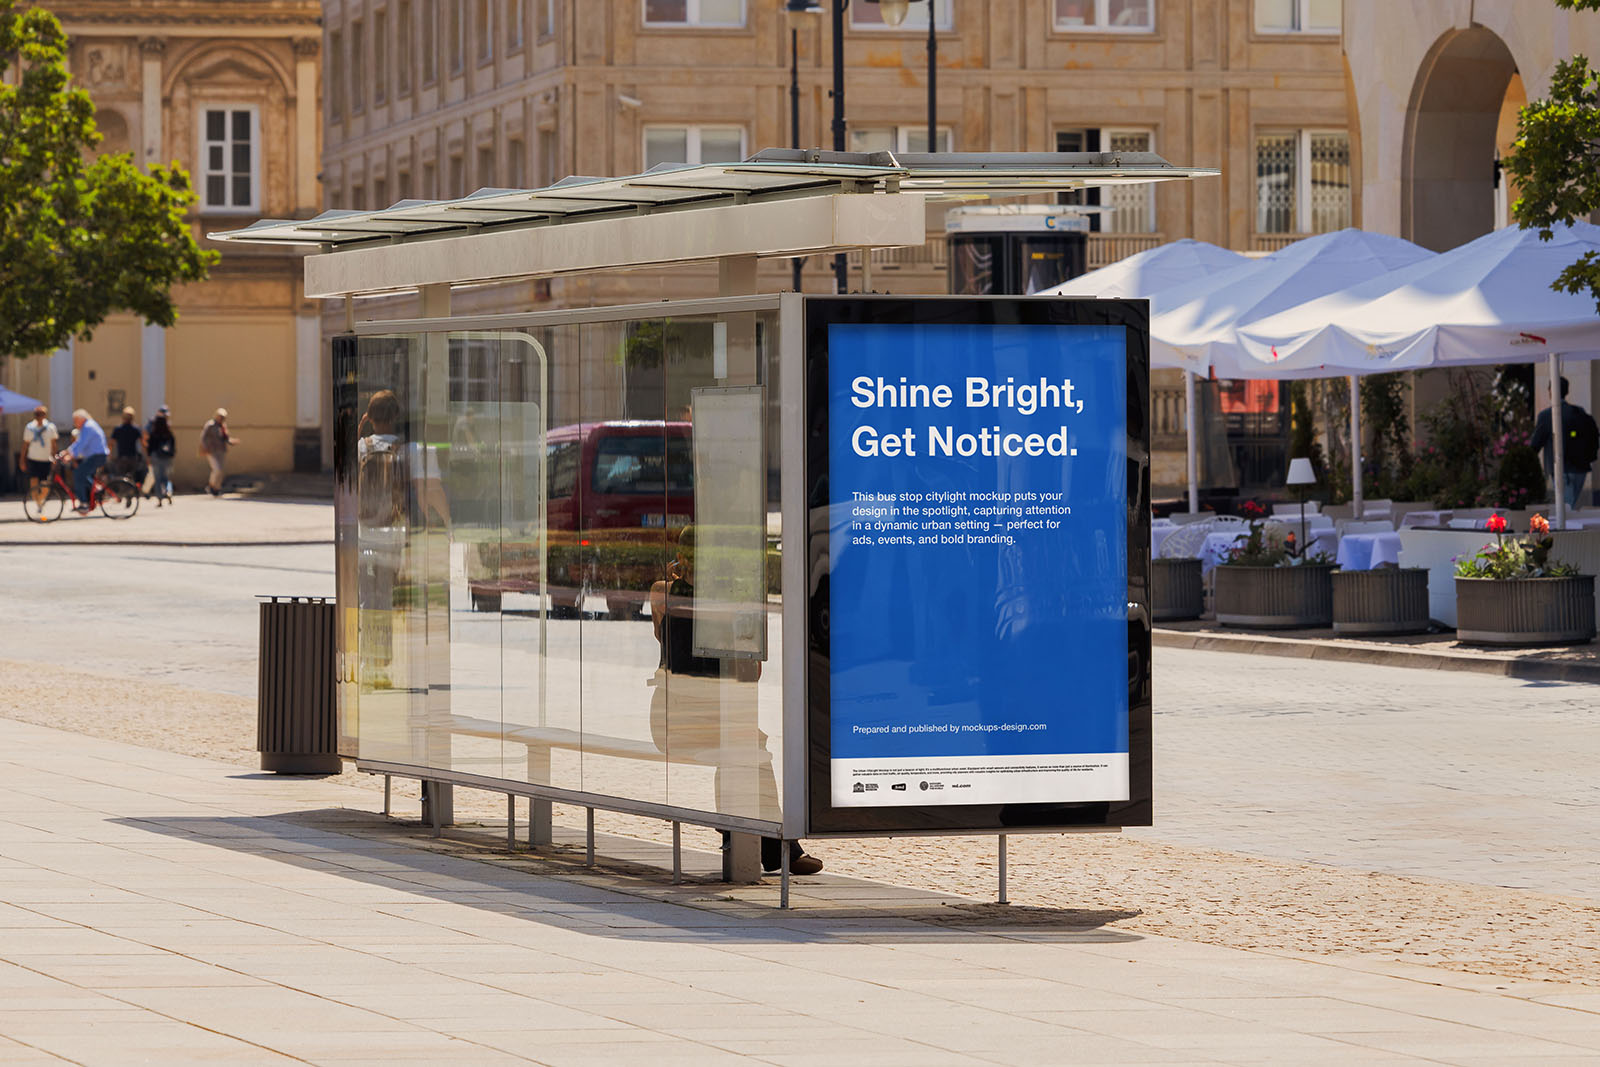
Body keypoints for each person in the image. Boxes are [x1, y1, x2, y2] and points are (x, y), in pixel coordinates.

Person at [648, 526, 823, 877]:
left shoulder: (662, 594)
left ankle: (742, 837)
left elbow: (661, 627)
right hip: (691, 716)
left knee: (745, 745)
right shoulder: (723, 606)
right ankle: (767, 846)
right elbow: (751, 673)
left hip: (669, 714)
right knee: (747, 747)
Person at [1529, 377, 1600, 509]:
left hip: (1560, 468)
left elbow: (1535, 445)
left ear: (1551, 391)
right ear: (1566, 391)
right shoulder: (1579, 412)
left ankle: (1564, 529)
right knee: (1569, 506)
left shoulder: (1546, 415)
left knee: (1565, 509)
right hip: (1580, 468)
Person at [57, 409, 108, 513]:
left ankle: (84, 504)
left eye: (75, 420)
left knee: (78, 474)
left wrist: (69, 456)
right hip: (95, 456)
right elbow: (78, 443)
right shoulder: (87, 426)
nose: (74, 423)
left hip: (97, 456)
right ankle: (97, 491)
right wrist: (66, 452)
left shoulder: (88, 427)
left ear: (81, 419)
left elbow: (81, 444)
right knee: (83, 475)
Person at [18, 406, 58, 509]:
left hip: (46, 460)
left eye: (41, 414)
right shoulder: (30, 427)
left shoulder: (50, 427)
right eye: (36, 414)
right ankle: (38, 504)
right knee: (34, 484)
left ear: (45, 415)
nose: (38, 417)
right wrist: (22, 460)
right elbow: (25, 445)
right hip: (33, 459)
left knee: (45, 485)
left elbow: (54, 445)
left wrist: (54, 458)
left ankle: (40, 501)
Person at [199, 407, 240, 496]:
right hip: (212, 451)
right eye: (220, 416)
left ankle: (216, 488)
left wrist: (232, 441)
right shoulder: (210, 425)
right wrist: (205, 447)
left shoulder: (222, 426)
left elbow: (226, 438)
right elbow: (203, 437)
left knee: (220, 471)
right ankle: (211, 485)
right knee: (217, 469)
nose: (221, 418)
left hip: (221, 451)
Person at [143, 405, 177, 506]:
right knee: (165, 478)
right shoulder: (168, 432)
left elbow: (150, 446)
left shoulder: (154, 432)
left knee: (157, 478)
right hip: (167, 457)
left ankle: (159, 498)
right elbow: (173, 445)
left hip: (156, 457)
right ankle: (168, 492)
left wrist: (148, 457)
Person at [109, 406, 144, 480]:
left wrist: (110, 455)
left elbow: (111, 444)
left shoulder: (118, 429)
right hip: (132, 458)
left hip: (122, 458)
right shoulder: (136, 429)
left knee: (121, 479)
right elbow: (143, 443)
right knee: (131, 479)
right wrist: (146, 457)